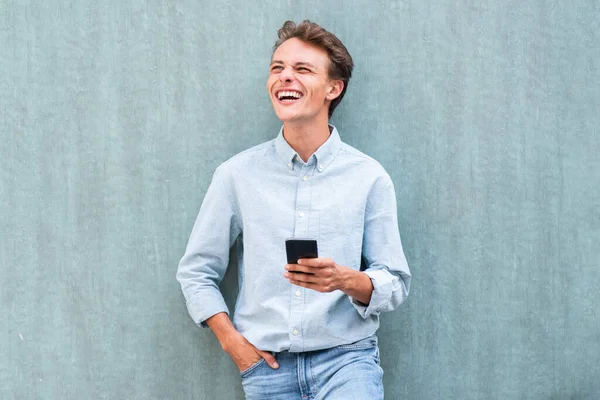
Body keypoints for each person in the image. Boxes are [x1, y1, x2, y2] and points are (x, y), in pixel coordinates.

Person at [176, 20, 411, 400]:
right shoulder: (235, 175)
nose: (285, 77)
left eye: (302, 69)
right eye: (277, 68)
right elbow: (196, 272)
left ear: (333, 88)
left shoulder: (369, 177)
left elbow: (395, 281)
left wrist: (344, 279)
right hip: (267, 370)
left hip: (347, 363)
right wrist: (233, 344)